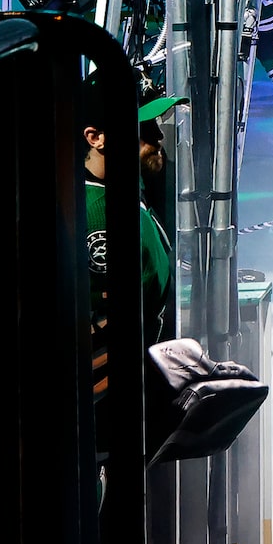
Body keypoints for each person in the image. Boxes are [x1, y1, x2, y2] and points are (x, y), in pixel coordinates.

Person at [83, 93, 177, 400]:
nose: (158, 136)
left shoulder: (125, 190)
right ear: (96, 138)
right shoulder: (94, 212)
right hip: (117, 401)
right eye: (144, 128)